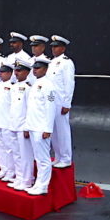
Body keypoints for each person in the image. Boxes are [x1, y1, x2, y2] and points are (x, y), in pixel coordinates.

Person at [24, 56, 57, 196]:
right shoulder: (35, 84)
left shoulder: (48, 86)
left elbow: (51, 108)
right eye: (34, 68)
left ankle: (43, 186)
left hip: (41, 128)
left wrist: (48, 129)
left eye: (38, 68)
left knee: (43, 159)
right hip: (33, 126)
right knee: (38, 158)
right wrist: (27, 127)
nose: (35, 70)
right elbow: (31, 108)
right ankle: (38, 184)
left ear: (45, 69)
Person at [47, 35, 75, 168]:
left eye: (57, 47)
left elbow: (69, 84)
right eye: (53, 47)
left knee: (62, 131)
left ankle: (66, 158)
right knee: (54, 131)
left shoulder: (66, 63)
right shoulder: (51, 62)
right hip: (51, 101)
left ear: (63, 48)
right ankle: (58, 156)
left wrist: (67, 103)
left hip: (61, 101)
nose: (54, 49)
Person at [8, 60, 33, 191]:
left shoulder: (29, 88)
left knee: (25, 155)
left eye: (19, 70)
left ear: (27, 72)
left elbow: (30, 109)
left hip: (23, 126)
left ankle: (27, 180)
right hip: (13, 124)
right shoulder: (13, 87)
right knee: (16, 154)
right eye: (15, 70)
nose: (16, 73)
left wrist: (27, 127)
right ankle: (19, 177)